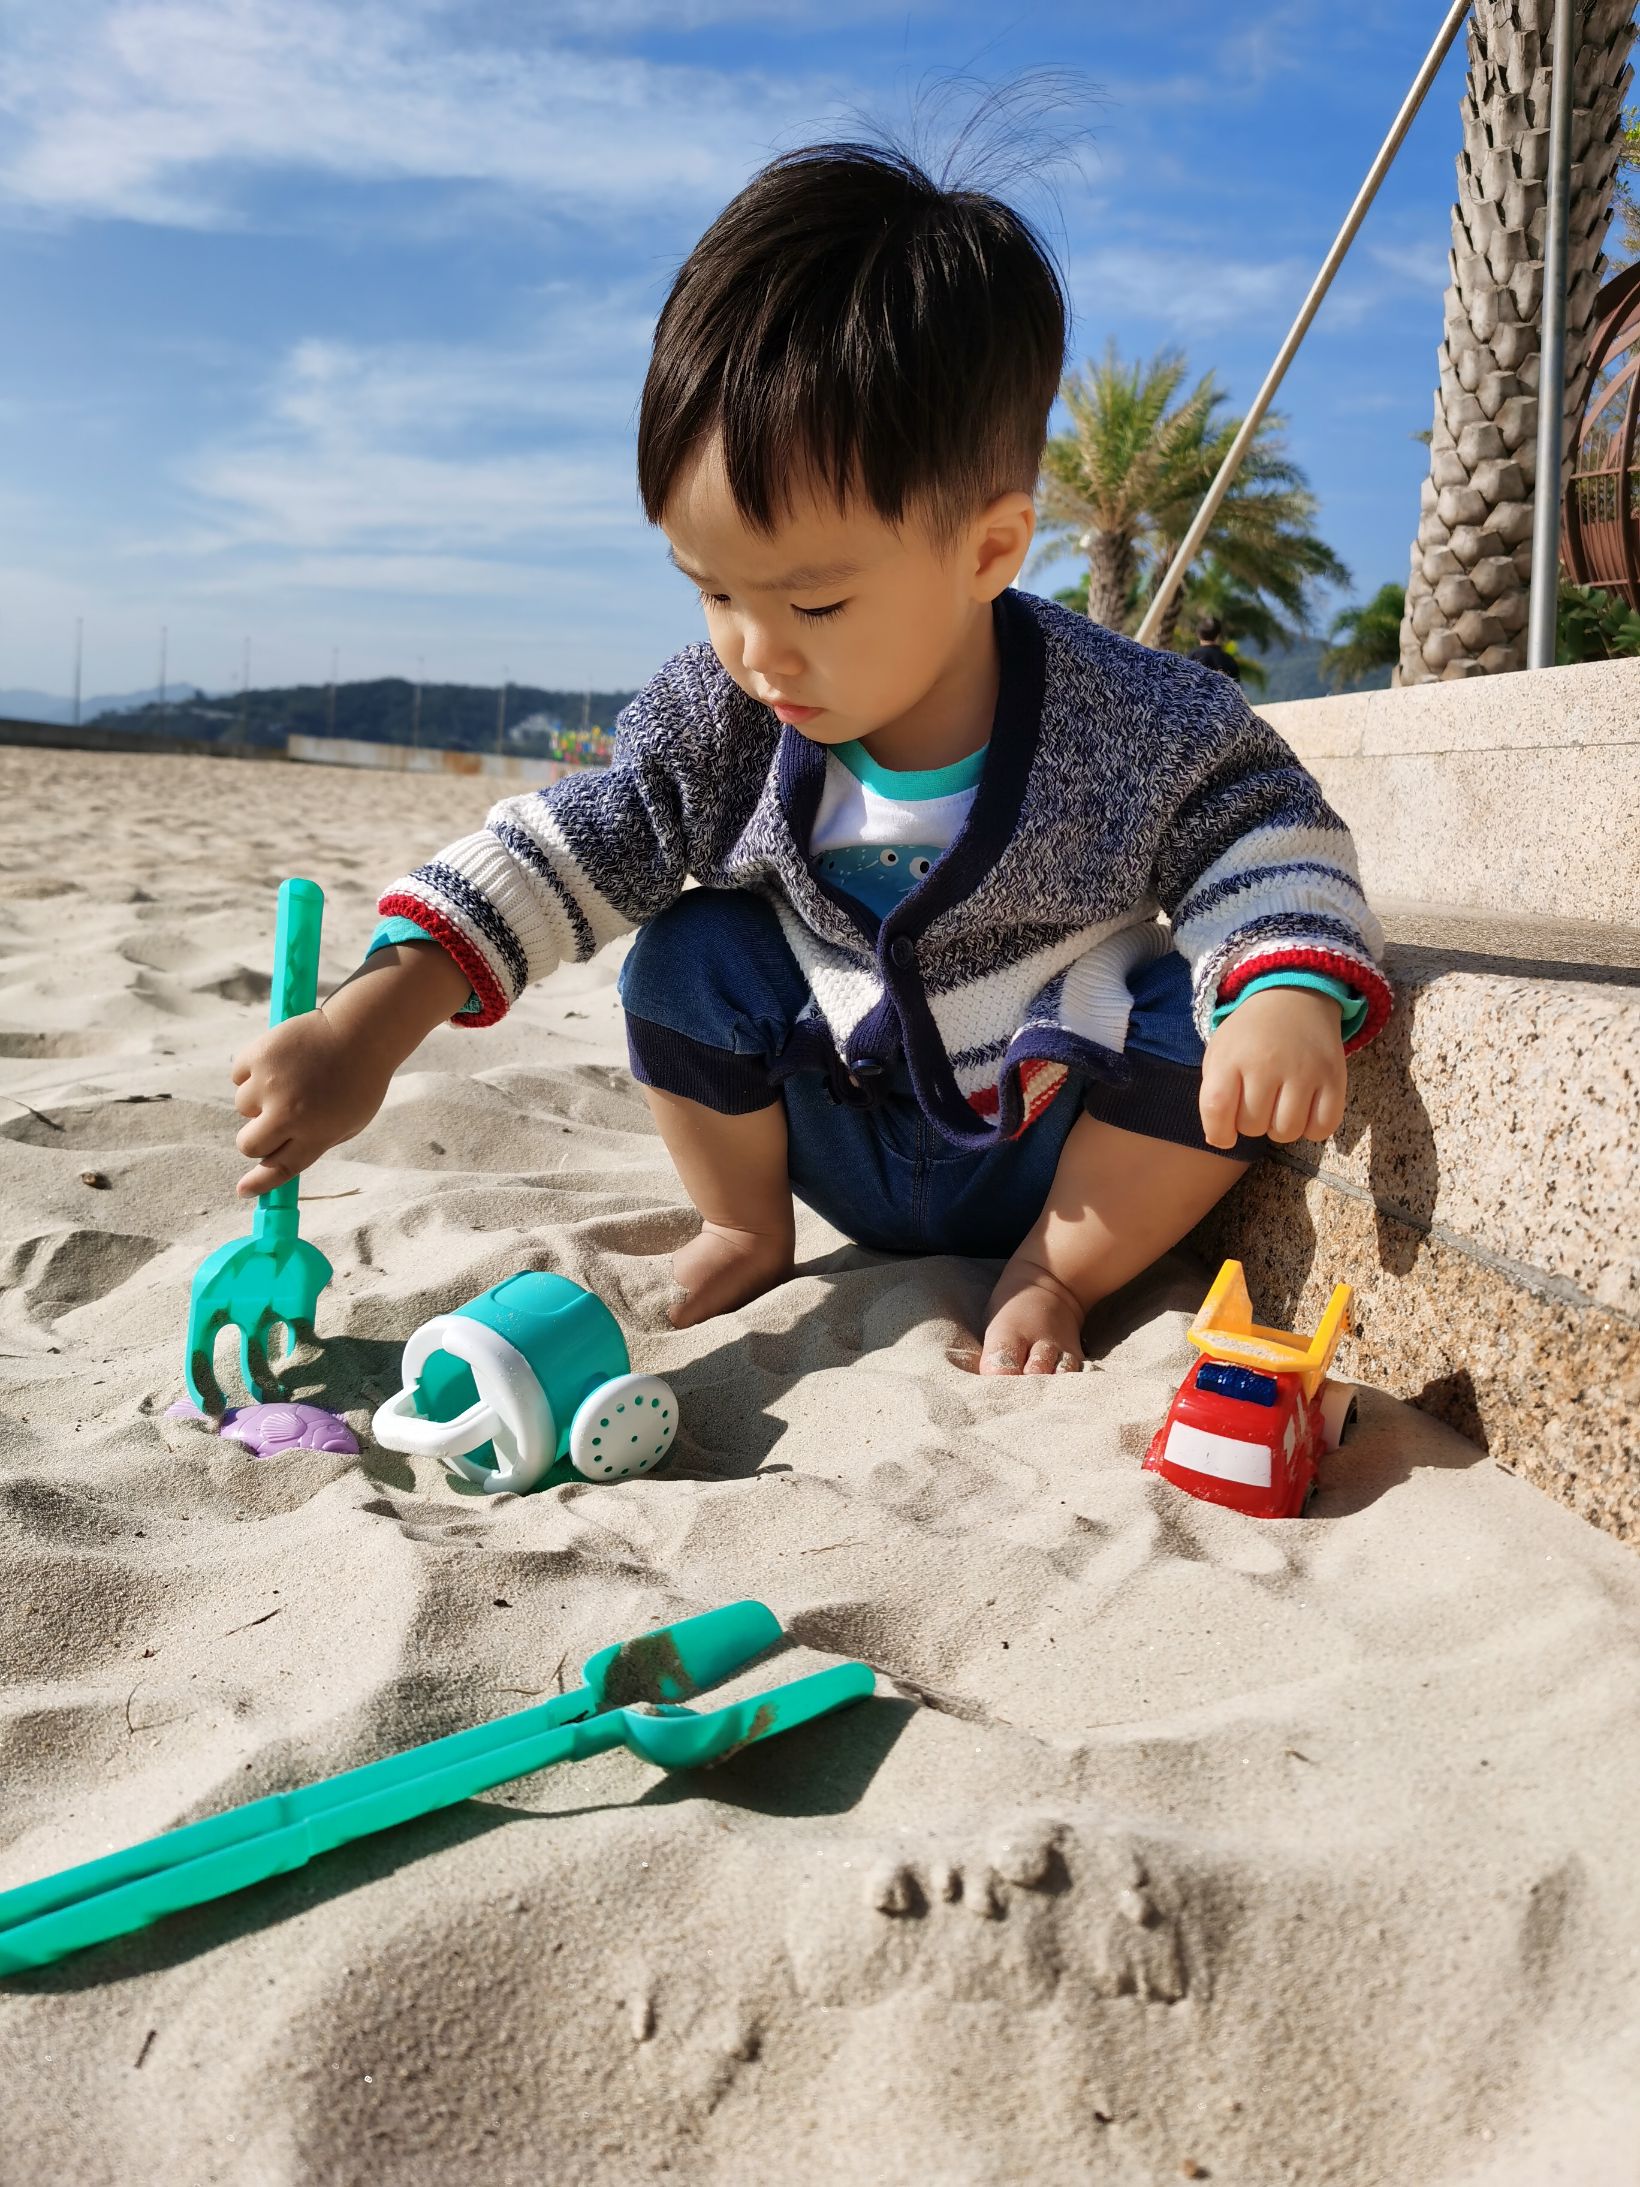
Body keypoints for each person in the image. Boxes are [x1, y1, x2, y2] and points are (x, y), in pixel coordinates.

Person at [230, 144, 1390, 1378]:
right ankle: (743, 1225)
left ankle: (1054, 1274)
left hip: (1059, 1141)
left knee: (1187, 1015)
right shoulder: (722, 722)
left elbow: (1258, 823)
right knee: (688, 952)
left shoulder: (1126, 718)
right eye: (714, 591)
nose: (756, 651)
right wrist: (371, 1023)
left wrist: (1279, 991)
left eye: (815, 604)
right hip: (840, 1120)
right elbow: (573, 842)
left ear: (989, 550)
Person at [1190, 615, 1243, 682]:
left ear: (1198, 633)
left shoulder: (1192, 656)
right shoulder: (1229, 660)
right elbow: (1236, 686)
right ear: (1218, 635)